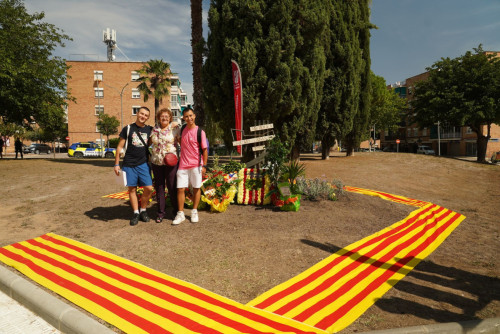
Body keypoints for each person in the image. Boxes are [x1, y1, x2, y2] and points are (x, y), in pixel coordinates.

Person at [114, 106, 154, 226]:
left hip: (143, 164)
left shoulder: (150, 130)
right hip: (129, 164)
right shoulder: (128, 128)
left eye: (146, 115)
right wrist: (116, 164)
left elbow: (153, 143)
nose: (143, 117)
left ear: (148, 117)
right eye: (142, 114)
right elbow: (120, 147)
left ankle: (143, 210)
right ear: (137, 113)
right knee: (132, 189)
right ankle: (136, 213)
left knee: (149, 188)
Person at [172, 107, 208, 225]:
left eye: (191, 115)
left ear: (194, 116)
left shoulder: (200, 132)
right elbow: (180, 141)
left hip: (196, 165)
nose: (189, 118)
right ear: (183, 118)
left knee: (196, 188)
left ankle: (194, 211)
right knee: (180, 189)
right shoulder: (182, 129)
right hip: (183, 165)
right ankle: (180, 213)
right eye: (186, 116)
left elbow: (205, 150)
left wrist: (204, 166)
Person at [149, 108, 180, 223]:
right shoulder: (154, 129)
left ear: (170, 118)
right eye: (162, 116)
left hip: (171, 162)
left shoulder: (175, 129)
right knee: (159, 187)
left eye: (167, 116)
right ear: (158, 118)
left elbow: (182, 142)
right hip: (157, 162)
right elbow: (149, 143)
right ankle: (161, 213)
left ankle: (176, 211)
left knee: (172, 187)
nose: (164, 118)